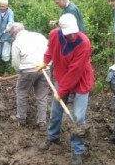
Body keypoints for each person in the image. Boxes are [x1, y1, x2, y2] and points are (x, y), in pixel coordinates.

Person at [37, 14, 94, 165]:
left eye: (74, 32)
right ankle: (52, 137)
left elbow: (75, 71)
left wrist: (61, 92)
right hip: (62, 77)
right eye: (68, 33)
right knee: (56, 110)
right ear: (61, 29)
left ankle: (77, 150)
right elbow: (51, 49)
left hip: (80, 79)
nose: (72, 36)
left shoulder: (84, 43)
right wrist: (45, 61)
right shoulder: (55, 35)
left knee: (78, 117)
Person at [10, 22, 50, 130]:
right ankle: (42, 122)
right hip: (45, 68)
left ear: (14, 33)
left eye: (11, 34)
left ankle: (21, 118)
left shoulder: (17, 42)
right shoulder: (39, 36)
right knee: (42, 96)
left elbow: (16, 62)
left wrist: (20, 72)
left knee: (21, 92)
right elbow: (50, 50)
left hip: (28, 69)